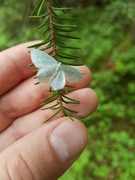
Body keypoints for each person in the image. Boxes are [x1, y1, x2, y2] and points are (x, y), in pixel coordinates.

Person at [0, 41, 98, 180]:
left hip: (48, 70)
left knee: (58, 82)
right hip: (49, 72)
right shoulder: (58, 65)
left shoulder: (53, 63)